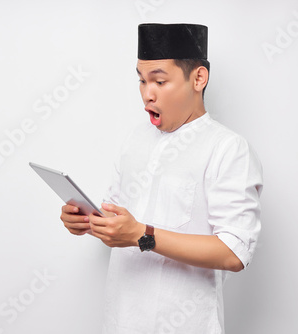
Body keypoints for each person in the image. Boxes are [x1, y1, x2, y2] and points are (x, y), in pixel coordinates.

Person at [60, 23, 263, 333]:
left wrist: (143, 235)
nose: (147, 94)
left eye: (159, 81)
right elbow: (116, 217)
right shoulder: (135, 140)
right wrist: (87, 221)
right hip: (120, 322)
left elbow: (234, 253)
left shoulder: (228, 149)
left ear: (198, 78)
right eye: (141, 80)